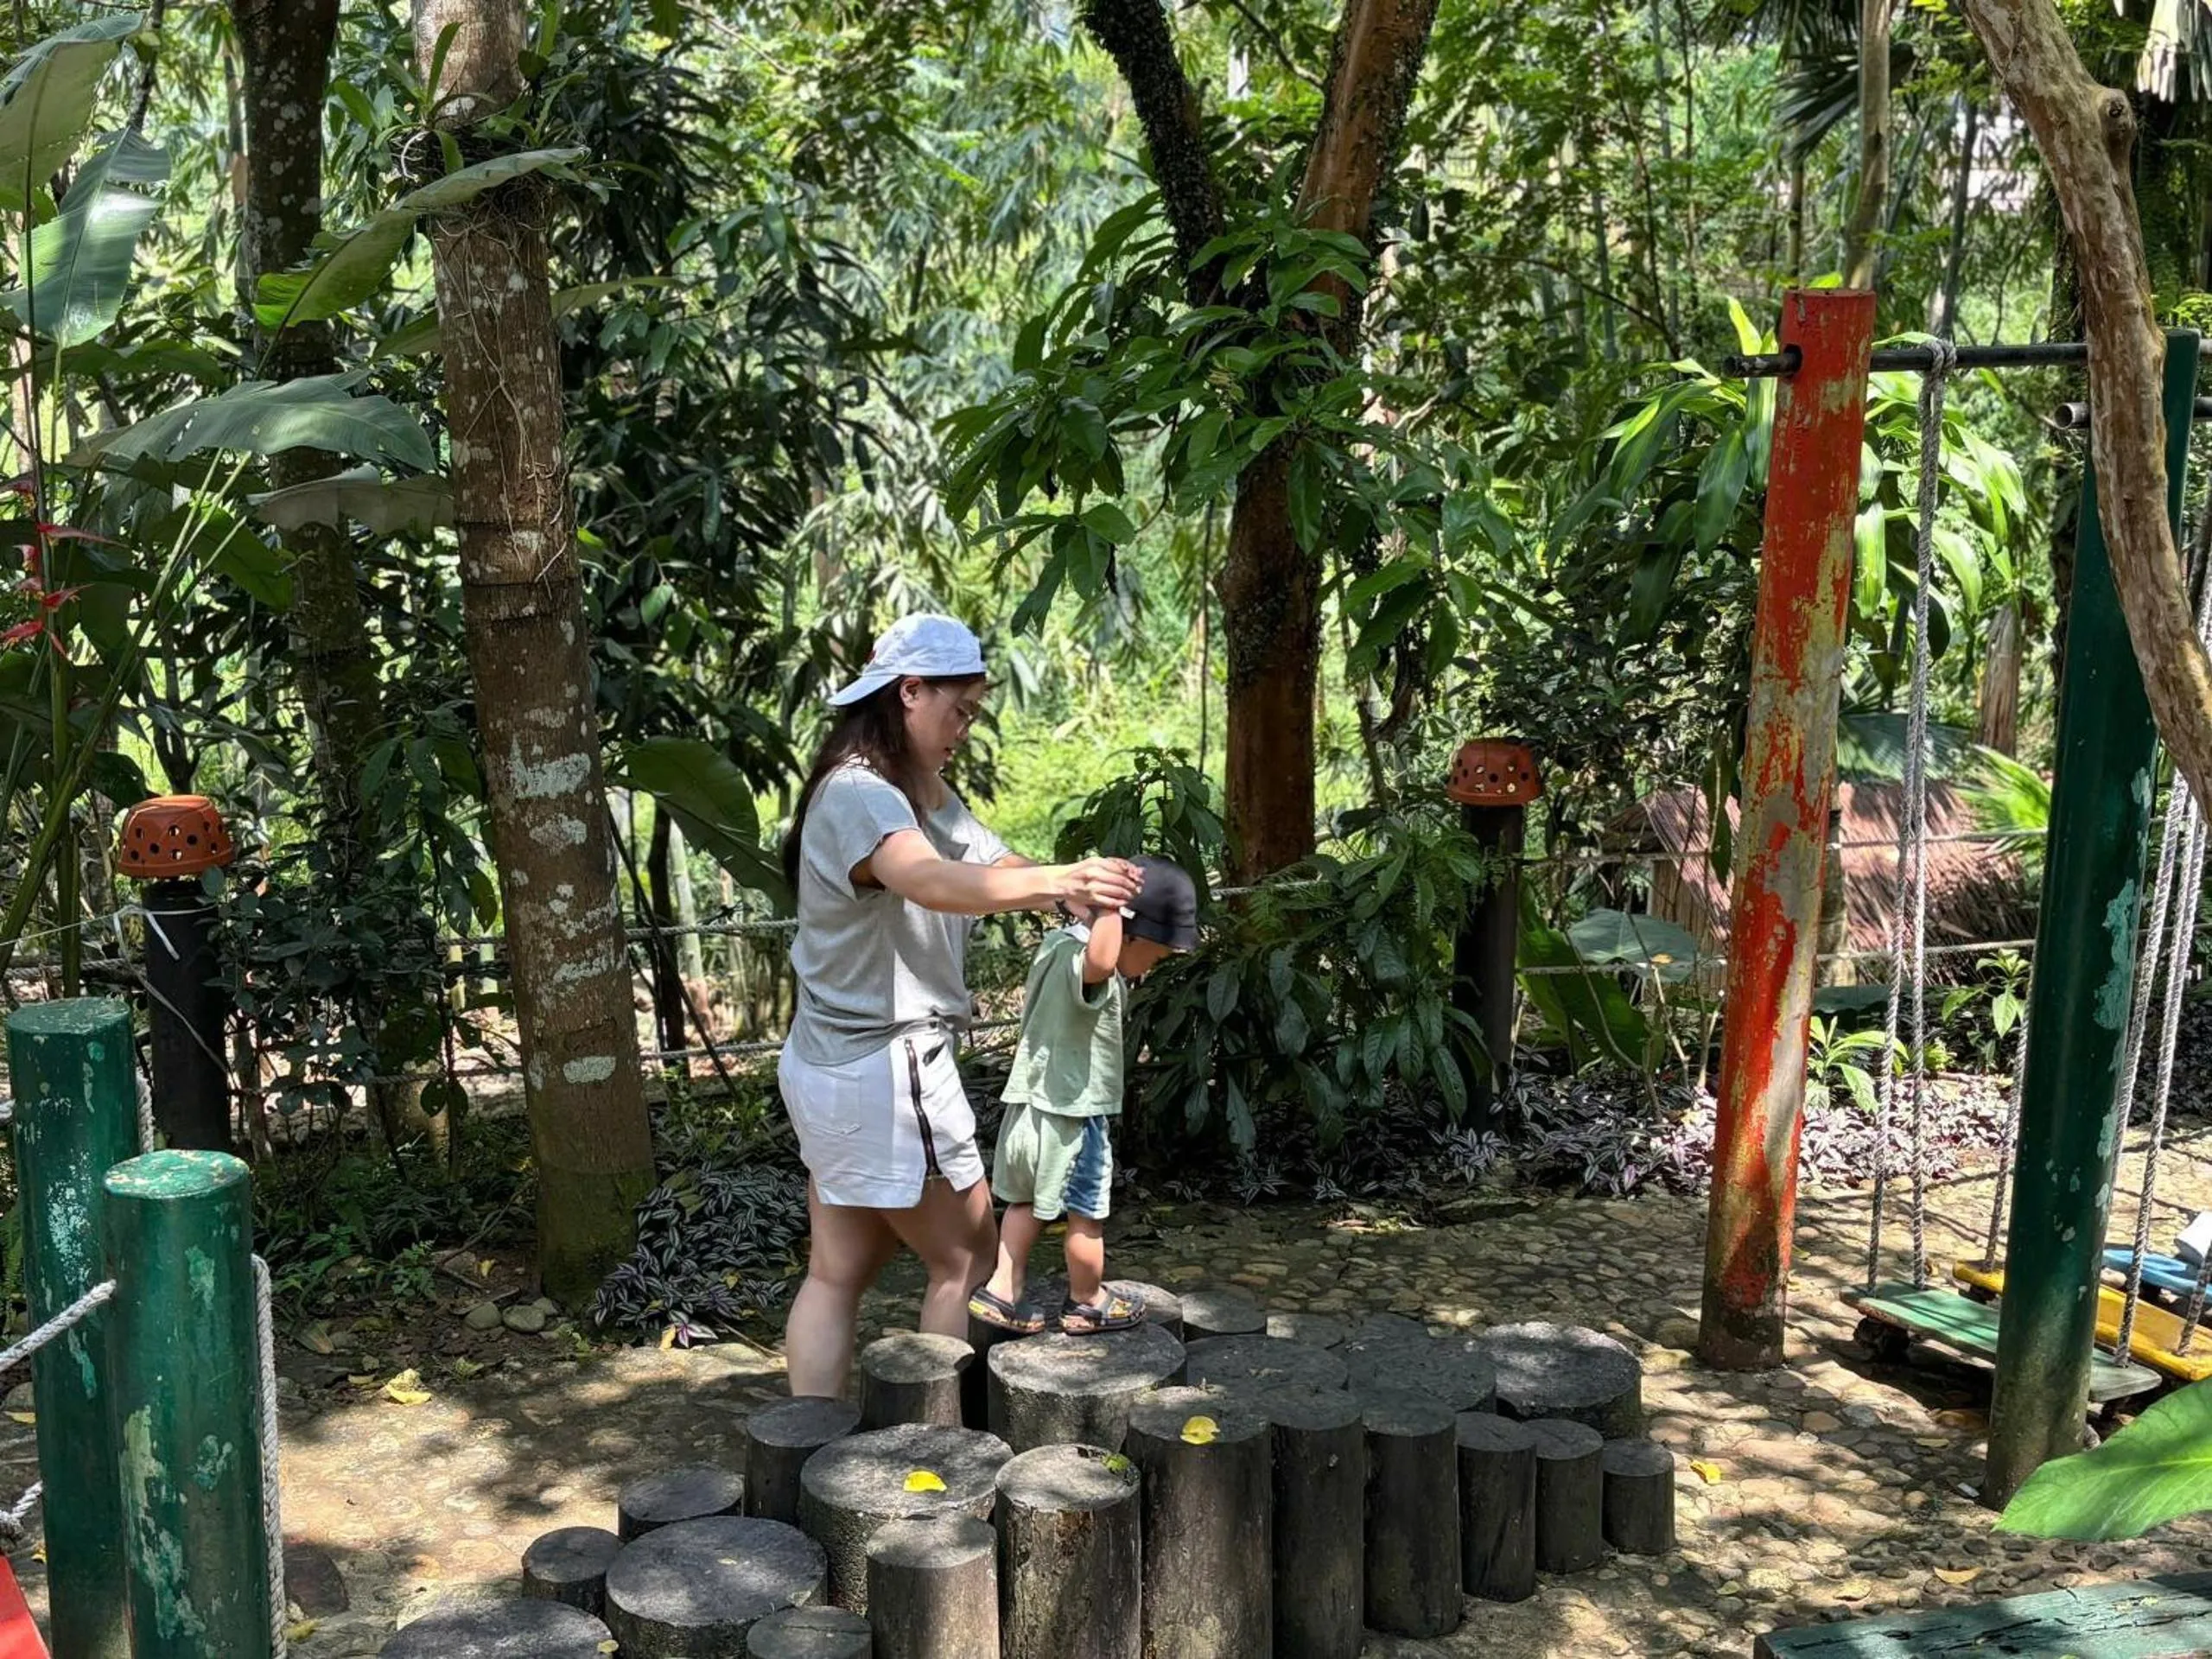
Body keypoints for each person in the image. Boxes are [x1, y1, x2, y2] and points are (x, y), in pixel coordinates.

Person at [775, 613, 1144, 1397]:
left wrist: (1072, 893)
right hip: (888, 1072)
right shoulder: (861, 797)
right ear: (911, 692)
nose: (964, 730)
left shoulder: (913, 789)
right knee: (969, 1259)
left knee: (839, 1270)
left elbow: (986, 858)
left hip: (832, 1065)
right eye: (960, 711)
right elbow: (935, 882)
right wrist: (1060, 881)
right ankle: (933, 1447)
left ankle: (805, 1450)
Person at [969, 856, 1199, 1335]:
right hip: (1075, 1118)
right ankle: (1088, 1299)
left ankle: (1003, 1289)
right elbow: (1099, 960)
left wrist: (1095, 907)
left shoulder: (1055, 948)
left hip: (1029, 1109)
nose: (1150, 968)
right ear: (1126, 933)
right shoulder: (1092, 966)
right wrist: (1112, 907)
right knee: (1086, 1215)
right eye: (1154, 955)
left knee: (1024, 1204)